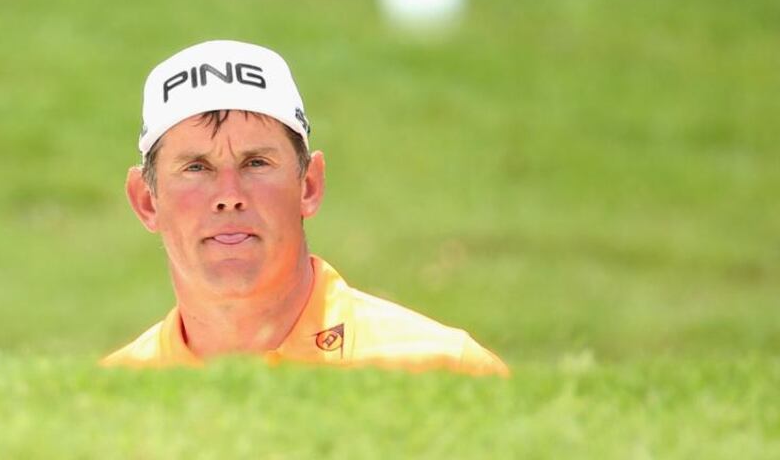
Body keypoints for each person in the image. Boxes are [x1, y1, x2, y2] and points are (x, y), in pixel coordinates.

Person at [102, 40, 509, 377]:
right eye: (196, 167)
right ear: (146, 201)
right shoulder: (112, 400)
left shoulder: (443, 369)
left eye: (256, 163)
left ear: (309, 185)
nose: (229, 194)